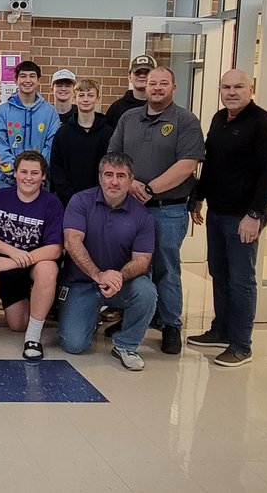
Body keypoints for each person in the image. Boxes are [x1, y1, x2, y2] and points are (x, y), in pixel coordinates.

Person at [189, 70, 267, 367]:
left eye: (238, 87)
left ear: (250, 88)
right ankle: (221, 330)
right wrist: (198, 197)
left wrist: (254, 214)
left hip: (244, 216)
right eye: (226, 87)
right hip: (218, 212)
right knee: (219, 272)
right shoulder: (219, 119)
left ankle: (241, 343)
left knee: (241, 280)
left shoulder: (263, 123)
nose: (231, 92)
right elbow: (212, 165)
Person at [108, 66, 205, 355]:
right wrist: (131, 183)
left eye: (164, 83)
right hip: (131, 208)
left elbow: (187, 164)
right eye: (153, 83)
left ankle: (171, 324)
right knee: (134, 267)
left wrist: (149, 189)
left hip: (168, 209)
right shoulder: (128, 118)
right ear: (144, 87)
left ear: (174, 87)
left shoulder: (185, 120)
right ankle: (135, 320)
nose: (157, 88)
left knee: (166, 268)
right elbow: (114, 157)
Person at [58, 153, 158, 372]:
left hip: (121, 283)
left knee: (146, 291)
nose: (114, 181)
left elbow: (142, 260)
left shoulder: (142, 216)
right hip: (81, 282)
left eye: (121, 176)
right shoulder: (80, 201)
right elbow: (72, 241)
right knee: (73, 345)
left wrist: (118, 277)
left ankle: (126, 345)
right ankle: (90, 317)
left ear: (131, 181)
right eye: (109, 175)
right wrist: (98, 275)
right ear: (100, 177)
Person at [0, 151, 63, 359]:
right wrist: (13, 253)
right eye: (24, 172)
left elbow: (54, 249)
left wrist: (15, 262)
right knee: (17, 325)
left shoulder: (51, 203)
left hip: (35, 266)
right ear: (15, 174)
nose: (29, 177)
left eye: (35, 173)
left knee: (48, 268)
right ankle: (37, 303)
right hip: (10, 268)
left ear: (43, 176)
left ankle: (33, 338)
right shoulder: (0, 197)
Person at [0, 60, 60, 190]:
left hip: (39, 183)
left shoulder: (50, 112)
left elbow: (52, 144)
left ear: (38, 80)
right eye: (23, 76)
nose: (27, 80)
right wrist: (17, 171)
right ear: (16, 80)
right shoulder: (2, 112)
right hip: (7, 182)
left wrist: (36, 171)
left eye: (32, 76)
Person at [50, 78, 113, 206]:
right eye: (81, 95)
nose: (85, 100)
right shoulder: (63, 133)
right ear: (74, 98)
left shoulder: (108, 133)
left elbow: (110, 167)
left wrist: (98, 195)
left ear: (97, 99)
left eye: (90, 95)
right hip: (68, 201)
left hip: (100, 201)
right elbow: (57, 169)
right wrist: (71, 198)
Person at [105, 54, 156, 129]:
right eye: (137, 72)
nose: (142, 76)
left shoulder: (161, 106)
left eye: (146, 72)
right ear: (129, 76)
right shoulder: (117, 108)